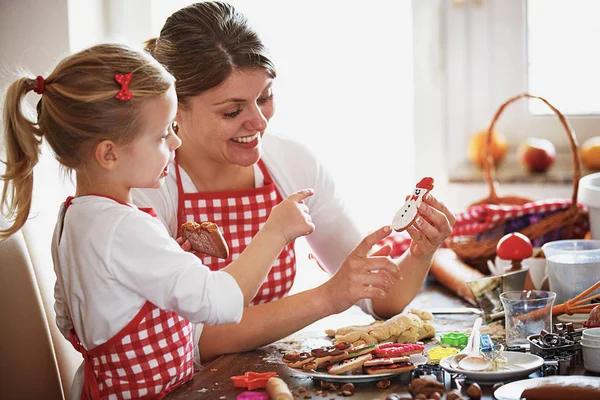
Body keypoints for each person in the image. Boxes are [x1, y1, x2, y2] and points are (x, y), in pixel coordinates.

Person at [0, 43, 398, 398]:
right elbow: (220, 303)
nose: (175, 143)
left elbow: (69, 313)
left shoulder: (73, 216)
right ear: (109, 154)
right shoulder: (125, 227)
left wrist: (162, 268)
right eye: (162, 136)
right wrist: (275, 232)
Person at [135, 1, 456, 363]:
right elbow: (192, 339)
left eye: (264, 97)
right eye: (232, 110)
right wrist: (328, 297)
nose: (259, 122)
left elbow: (378, 299)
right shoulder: (146, 186)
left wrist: (420, 251)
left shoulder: (291, 163)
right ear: (174, 107)